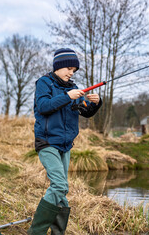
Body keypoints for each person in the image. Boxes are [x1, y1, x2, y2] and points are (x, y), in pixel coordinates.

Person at [28, 48, 102, 235]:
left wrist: (94, 103)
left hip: (65, 145)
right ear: (58, 67)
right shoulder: (44, 83)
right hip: (47, 142)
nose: (71, 72)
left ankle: (57, 233)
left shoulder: (72, 88)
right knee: (60, 186)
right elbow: (43, 107)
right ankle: (35, 232)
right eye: (68, 68)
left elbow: (84, 111)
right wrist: (67, 96)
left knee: (61, 192)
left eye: (74, 70)